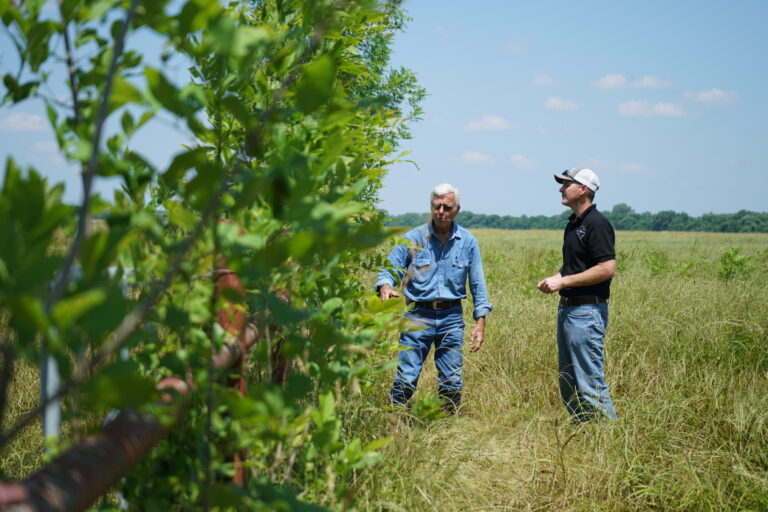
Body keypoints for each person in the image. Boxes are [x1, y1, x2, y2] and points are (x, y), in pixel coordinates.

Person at [376, 183, 492, 412]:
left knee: (451, 380)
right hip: (418, 315)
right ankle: (395, 420)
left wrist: (480, 323)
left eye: (447, 207)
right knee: (407, 377)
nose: (441, 211)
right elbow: (388, 271)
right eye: (436, 206)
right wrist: (385, 286)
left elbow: (478, 283)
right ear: (431, 207)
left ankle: (447, 427)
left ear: (457, 209)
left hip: (451, 316)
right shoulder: (413, 238)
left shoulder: (467, 242)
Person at [536, 168, 618, 422]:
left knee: (590, 381)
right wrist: (557, 278)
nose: (561, 189)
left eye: (567, 185)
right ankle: (584, 433)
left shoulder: (597, 223)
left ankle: (609, 438)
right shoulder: (573, 224)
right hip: (569, 310)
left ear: (583, 190)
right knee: (569, 380)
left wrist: (564, 282)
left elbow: (607, 269)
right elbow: (576, 266)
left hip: (587, 312)